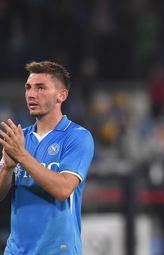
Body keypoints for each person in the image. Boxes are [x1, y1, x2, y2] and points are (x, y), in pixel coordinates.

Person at [0, 61, 94, 254]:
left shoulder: (77, 136)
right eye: (28, 88)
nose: (31, 94)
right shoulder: (20, 138)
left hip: (57, 250)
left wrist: (22, 156)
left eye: (41, 88)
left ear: (62, 95)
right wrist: (8, 169)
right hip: (16, 250)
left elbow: (62, 189)